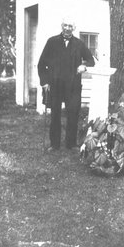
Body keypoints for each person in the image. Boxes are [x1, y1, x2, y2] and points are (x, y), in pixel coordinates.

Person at [38, 16, 95, 151]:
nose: (68, 28)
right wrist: (44, 82)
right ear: (62, 26)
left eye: (70, 26)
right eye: (66, 25)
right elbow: (41, 64)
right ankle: (55, 144)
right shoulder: (52, 42)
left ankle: (71, 144)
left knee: (73, 113)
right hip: (55, 84)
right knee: (55, 114)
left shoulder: (79, 43)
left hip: (73, 85)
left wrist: (84, 66)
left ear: (74, 28)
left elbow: (91, 60)